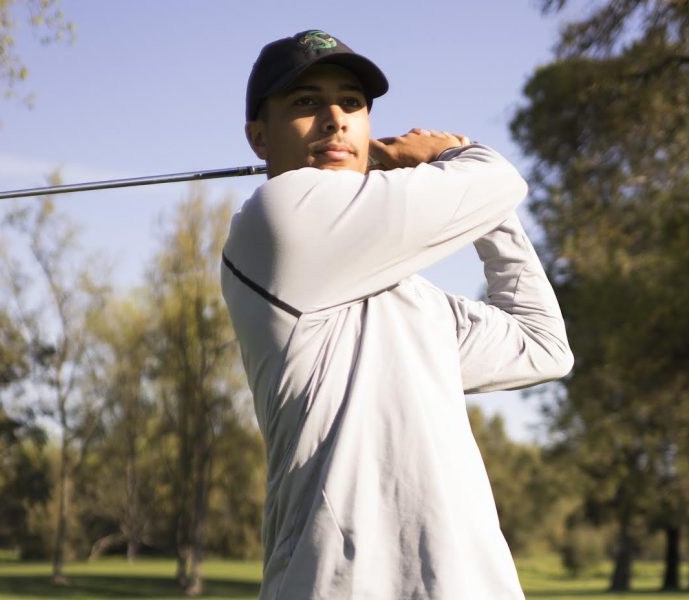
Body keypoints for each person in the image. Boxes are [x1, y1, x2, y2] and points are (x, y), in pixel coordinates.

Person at [220, 30, 574, 599]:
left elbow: (543, 346)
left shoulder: (415, 302)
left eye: (352, 103)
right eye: (306, 102)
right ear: (258, 137)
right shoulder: (274, 220)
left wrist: (490, 214)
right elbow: (500, 179)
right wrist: (449, 155)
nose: (335, 120)